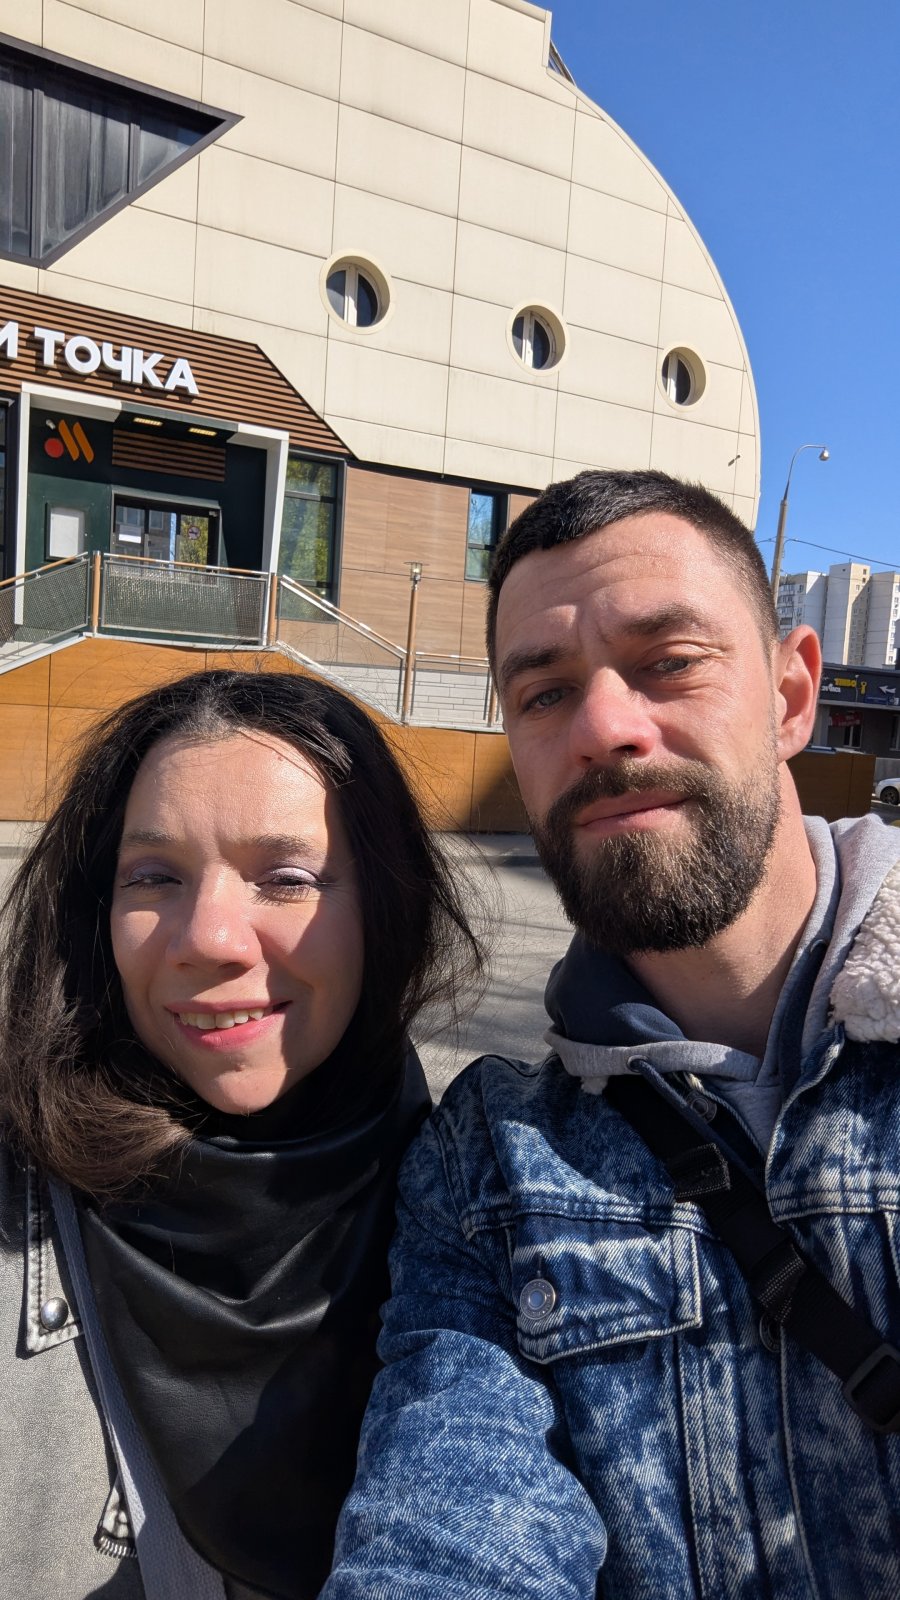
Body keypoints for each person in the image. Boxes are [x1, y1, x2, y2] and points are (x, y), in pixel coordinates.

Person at [324, 470, 900, 1599]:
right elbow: (443, 1536)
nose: (600, 727)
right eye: (544, 693)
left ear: (792, 696)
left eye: (669, 662)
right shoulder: (489, 1161)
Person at [0, 667, 482, 1600]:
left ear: (385, 909)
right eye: (154, 877)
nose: (209, 938)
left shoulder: (494, 1212)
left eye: (287, 878)